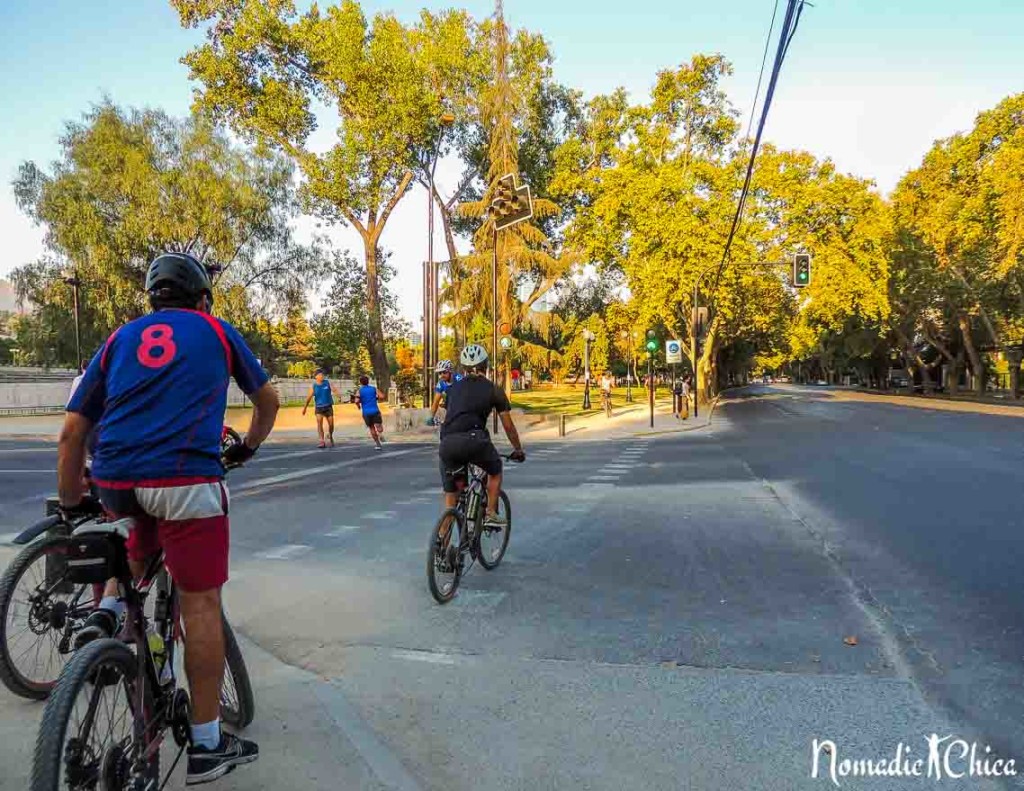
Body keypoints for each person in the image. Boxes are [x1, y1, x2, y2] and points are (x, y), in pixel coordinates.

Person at [59, 251, 279, 785]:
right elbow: (267, 401)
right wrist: (246, 448)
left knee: (132, 529)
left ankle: (109, 608)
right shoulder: (217, 332)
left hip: (116, 479)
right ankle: (206, 743)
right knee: (201, 606)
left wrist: (70, 505)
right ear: (202, 299)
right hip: (186, 480)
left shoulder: (120, 337)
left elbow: (70, 433)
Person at [438, 344, 525, 528]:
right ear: (486, 366)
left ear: (463, 368)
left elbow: (449, 417)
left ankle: (441, 550)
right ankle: (490, 513)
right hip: (475, 440)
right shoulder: (494, 389)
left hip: (447, 444)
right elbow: (508, 426)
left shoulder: (452, 390)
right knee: (495, 470)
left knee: (451, 499)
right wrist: (518, 449)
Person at [301, 369, 340, 448]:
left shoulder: (327, 382)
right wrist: (305, 408)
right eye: (320, 375)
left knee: (331, 424)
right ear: (316, 377)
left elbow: (334, 390)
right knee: (319, 424)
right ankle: (321, 441)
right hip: (319, 407)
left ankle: (330, 435)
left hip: (328, 406)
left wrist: (338, 396)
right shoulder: (314, 386)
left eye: (322, 375)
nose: (322, 376)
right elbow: (309, 398)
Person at [355, 375, 385, 449]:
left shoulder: (359, 391)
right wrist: (375, 398)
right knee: (379, 426)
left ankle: (378, 445)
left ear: (361, 382)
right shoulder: (373, 389)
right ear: (368, 381)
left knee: (372, 428)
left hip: (366, 412)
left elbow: (356, 401)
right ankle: (380, 434)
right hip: (375, 411)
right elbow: (382, 396)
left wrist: (358, 406)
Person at [426, 359, 455, 426]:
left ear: (450, 371)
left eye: (444, 372)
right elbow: (436, 401)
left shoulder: (458, 378)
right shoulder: (441, 383)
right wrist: (431, 417)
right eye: (440, 373)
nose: (442, 375)